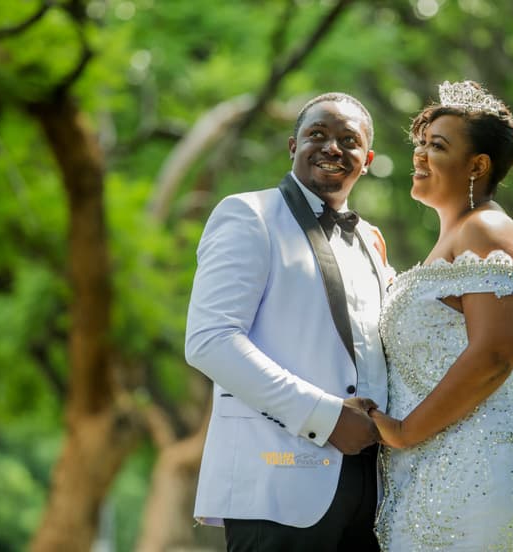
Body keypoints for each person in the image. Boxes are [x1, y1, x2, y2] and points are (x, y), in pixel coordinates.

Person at [185, 92, 390, 551]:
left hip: (373, 492)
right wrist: (325, 417)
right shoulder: (248, 215)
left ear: (368, 160)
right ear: (293, 146)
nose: (332, 147)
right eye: (317, 134)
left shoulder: (371, 240)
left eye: (348, 140)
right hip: (276, 481)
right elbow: (210, 341)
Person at [369, 81, 513, 550]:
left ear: (477, 165)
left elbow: (496, 353)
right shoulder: (457, 237)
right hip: (438, 464)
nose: (419, 155)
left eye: (437, 146)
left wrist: (403, 432)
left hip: (479, 465)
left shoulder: (487, 228)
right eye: (420, 143)